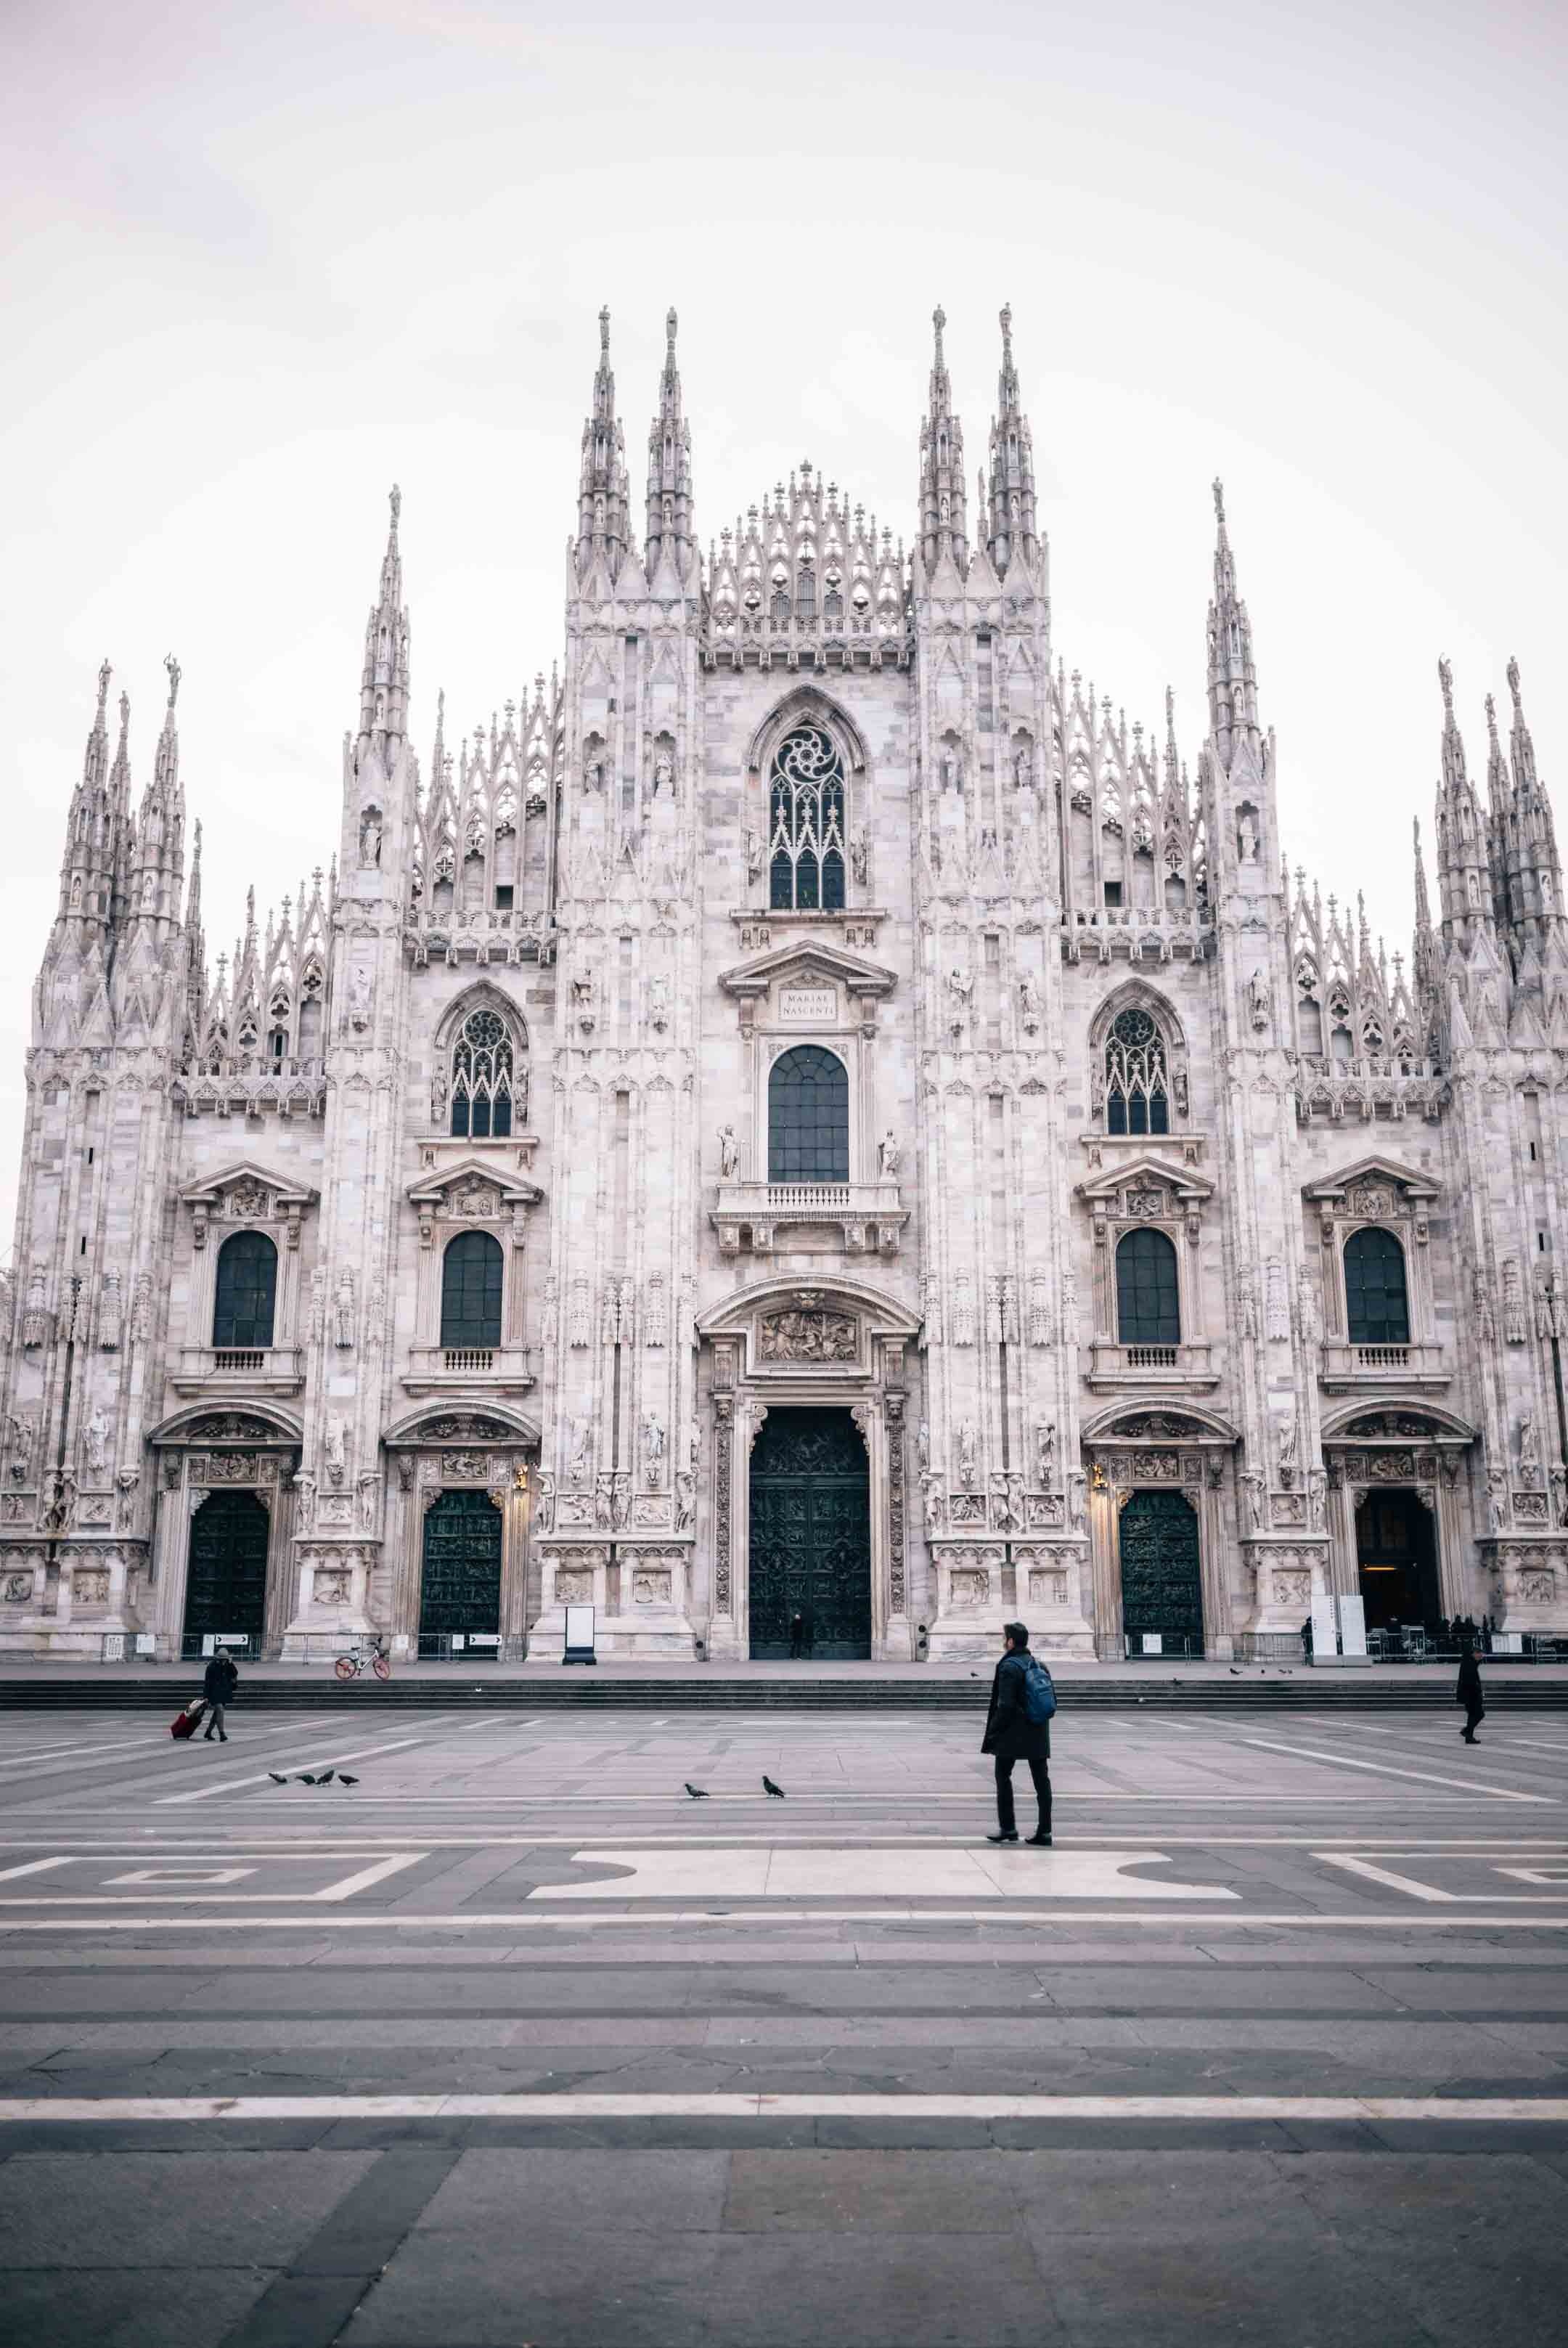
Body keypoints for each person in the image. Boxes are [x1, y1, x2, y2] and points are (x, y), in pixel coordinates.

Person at [981, 1621, 1052, 1846]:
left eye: (1005, 1638)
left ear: (1011, 1641)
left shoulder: (1009, 1666)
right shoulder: (1039, 1665)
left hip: (1013, 1732)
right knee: (1042, 1781)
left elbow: (1006, 1705)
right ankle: (1045, 1831)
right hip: (1038, 1729)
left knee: (1003, 1776)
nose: (1004, 1642)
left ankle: (1008, 1828)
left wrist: (993, 1731)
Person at [200, 1647, 238, 1742]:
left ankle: (208, 1732)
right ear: (218, 1659)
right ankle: (222, 1734)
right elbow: (207, 1683)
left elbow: (234, 1674)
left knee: (216, 1714)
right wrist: (206, 1697)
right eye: (222, 1659)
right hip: (214, 1693)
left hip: (224, 1692)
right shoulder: (211, 1666)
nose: (223, 1661)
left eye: (225, 1659)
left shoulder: (227, 1665)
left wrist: (230, 1663)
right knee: (220, 1710)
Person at [1456, 1642, 1484, 1745]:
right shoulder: (1469, 1664)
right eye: (1480, 1654)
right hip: (1470, 1694)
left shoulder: (1470, 1662)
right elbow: (1470, 1681)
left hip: (1470, 1694)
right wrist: (1478, 1691)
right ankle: (1467, 1731)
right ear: (1474, 1654)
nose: (1481, 1656)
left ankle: (1469, 1737)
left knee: (1473, 1715)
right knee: (1479, 1714)